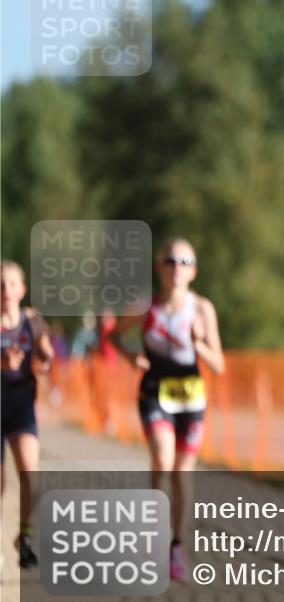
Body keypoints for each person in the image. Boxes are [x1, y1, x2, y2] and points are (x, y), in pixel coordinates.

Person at [109, 238, 225, 581]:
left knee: (182, 472)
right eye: (171, 261)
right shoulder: (145, 306)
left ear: (194, 272)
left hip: (190, 396)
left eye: (185, 262)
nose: (178, 268)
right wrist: (131, 356)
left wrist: (199, 343)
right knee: (162, 459)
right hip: (154, 391)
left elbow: (218, 365)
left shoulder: (202, 309)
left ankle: (177, 546)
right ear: (160, 268)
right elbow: (114, 335)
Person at [1, 260, 54, 569]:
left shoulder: (32, 322)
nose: (5, 290)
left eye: (11, 283)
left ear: (22, 290)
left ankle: (25, 537)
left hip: (21, 405)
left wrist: (43, 362)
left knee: (31, 475)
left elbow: (46, 356)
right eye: (0, 284)